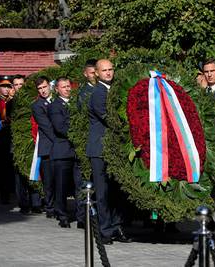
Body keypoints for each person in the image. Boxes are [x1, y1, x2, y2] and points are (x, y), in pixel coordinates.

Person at [86, 59, 131, 245]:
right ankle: (105, 230)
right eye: (104, 70)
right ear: (96, 73)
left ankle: (117, 226)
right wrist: (130, 127)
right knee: (103, 192)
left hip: (114, 149)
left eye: (111, 69)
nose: (108, 73)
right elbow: (108, 118)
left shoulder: (116, 90)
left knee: (116, 191)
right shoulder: (98, 92)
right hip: (100, 149)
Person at [48, 77, 84, 228]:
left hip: (76, 151)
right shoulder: (55, 106)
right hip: (63, 151)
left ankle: (81, 217)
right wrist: (78, 134)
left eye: (68, 86)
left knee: (80, 186)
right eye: (63, 87)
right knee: (61, 186)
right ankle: (62, 215)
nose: (67, 89)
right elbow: (60, 127)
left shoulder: (77, 103)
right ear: (57, 89)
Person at [31, 76, 56, 218]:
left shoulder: (58, 100)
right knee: (48, 180)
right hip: (48, 146)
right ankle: (50, 207)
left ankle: (59, 206)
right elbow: (46, 127)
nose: (43, 91)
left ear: (50, 86)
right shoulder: (37, 105)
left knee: (59, 179)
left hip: (60, 146)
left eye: (44, 87)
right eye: (40, 89)